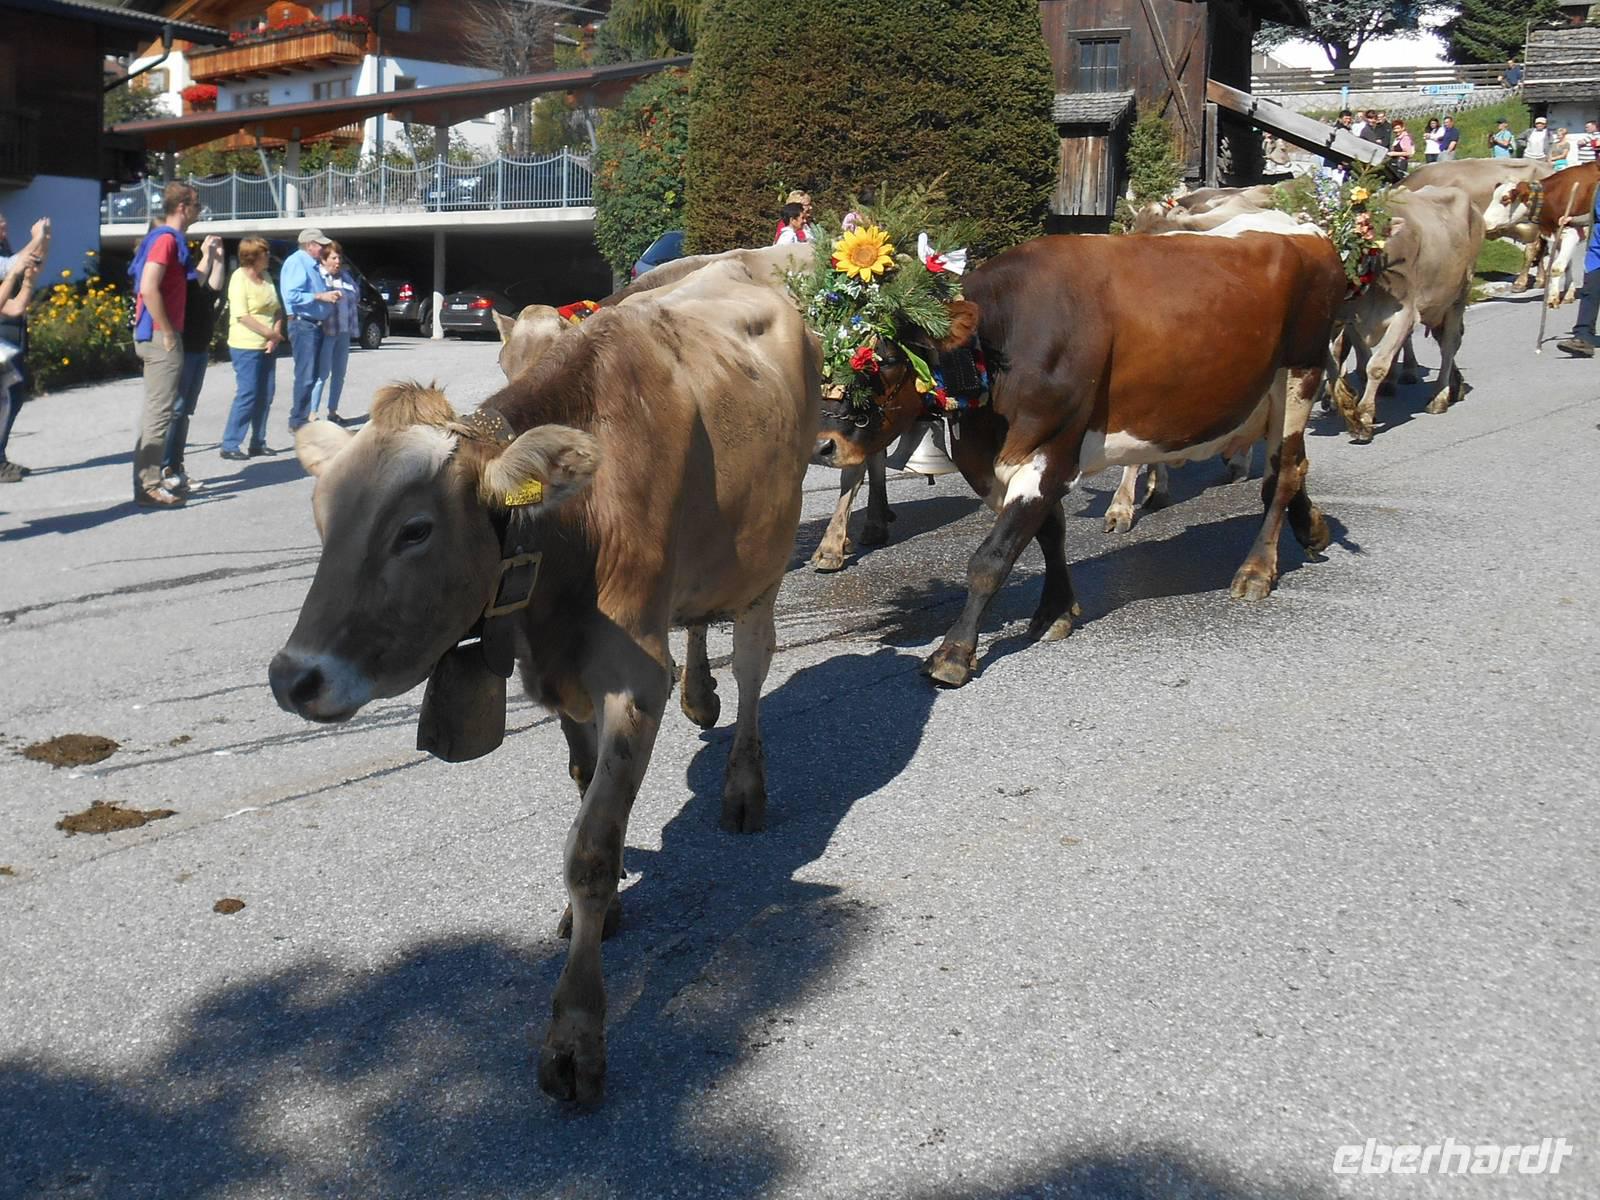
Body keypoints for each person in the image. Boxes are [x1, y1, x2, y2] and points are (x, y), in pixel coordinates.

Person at [131, 183, 200, 508]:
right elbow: (148, 286)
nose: (199, 211)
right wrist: (169, 332)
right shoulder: (167, 240)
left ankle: (145, 482)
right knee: (159, 414)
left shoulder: (165, 239)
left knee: (153, 414)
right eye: (197, 204)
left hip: (155, 334)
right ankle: (150, 486)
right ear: (183, 207)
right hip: (161, 337)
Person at [162, 234, 225, 495]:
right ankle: (164, 469)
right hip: (183, 350)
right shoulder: (180, 281)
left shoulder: (197, 285)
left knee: (185, 412)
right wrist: (207, 255)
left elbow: (214, 286)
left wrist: (219, 257)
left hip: (199, 351)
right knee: (174, 411)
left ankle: (177, 468)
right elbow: (197, 278)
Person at [220, 236, 284, 461]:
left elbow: (276, 309)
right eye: (264, 253)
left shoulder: (266, 277)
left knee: (266, 393)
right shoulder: (239, 278)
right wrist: (270, 334)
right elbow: (242, 315)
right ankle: (230, 443)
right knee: (248, 393)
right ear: (252, 256)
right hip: (245, 345)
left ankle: (258, 441)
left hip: (268, 344)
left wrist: (274, 335)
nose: (268, 256)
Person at [0, 210, 48, 484]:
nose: (5, 231)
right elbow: (11, 266)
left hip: (11, 336)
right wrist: (38, 237)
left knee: (11, 399)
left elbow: (16, 306)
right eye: (1, 226)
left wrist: (29, 278)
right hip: (4, 336)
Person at [278, 227, 339, 435]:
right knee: (305, 375)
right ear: (309, 245)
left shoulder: (312, 265)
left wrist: (327, 297)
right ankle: (297, 421)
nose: (323, 248)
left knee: (311, 374)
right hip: (303, 324)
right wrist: (320, 297)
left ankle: (301, 418)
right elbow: (292, 294)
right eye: (320, 245)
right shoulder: (297, 262)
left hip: (313, 324)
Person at [308, 240, 357, 426]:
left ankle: (333, 411)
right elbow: (316, 296)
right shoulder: (319, 277)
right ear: (324, 259)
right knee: (322, 374)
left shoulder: (345, 276)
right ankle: (312, 412)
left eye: (339, 257)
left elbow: (356, 293)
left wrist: (342, 290)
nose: (338, 261)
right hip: (326, 330)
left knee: (339, 373)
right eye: (334, 258)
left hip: (343, 330)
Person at [1556, 186, 1600, 358]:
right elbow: (1594, 215)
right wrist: (1573, 220)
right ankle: (1583, 337)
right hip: (1597, 252)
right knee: (1589, 292)